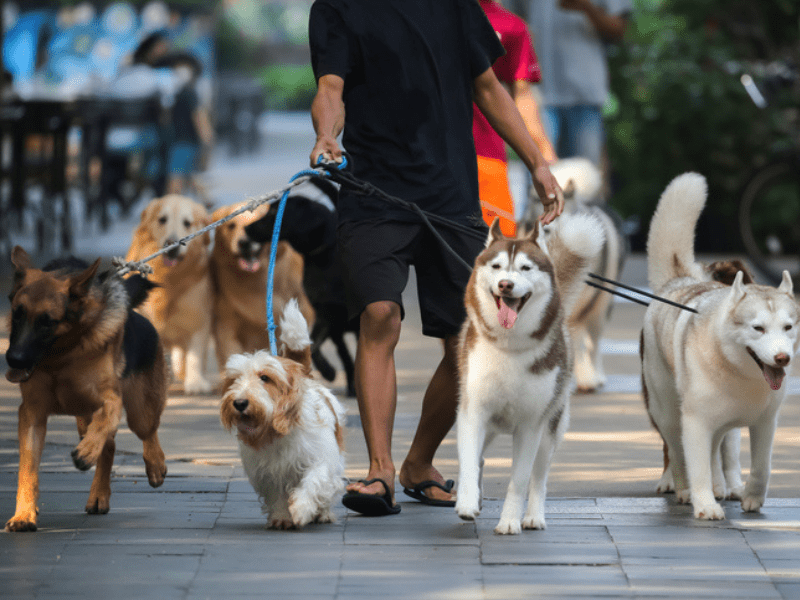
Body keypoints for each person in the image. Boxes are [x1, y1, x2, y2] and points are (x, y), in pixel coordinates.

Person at [308, 0, 563, 516]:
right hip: (373, 191)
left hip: (450, 196)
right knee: (380, 314)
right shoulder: (336, 7)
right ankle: (378, 470)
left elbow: (489, 87)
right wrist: (326, 136)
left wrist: (536, 160)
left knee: (464, 344)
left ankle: (418, 463)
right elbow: (329, 89)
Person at [475, 0, 557, 237]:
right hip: (428, 155)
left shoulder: (512, 27)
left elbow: (522, 96)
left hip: (487, 157)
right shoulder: (426, 14)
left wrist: (544, 156)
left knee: (496, 248)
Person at [527, 0, 631, 166]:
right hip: (538, 93)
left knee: (586, 181)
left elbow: (619, 28)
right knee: (540, 177)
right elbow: (511, 19)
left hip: (585, 94)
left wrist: (586, 7)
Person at [164, 52, 214, 196]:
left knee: (176, 178)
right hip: (180, 141)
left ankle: (174, 205)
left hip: (184, 142)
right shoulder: (174, 92)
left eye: (184, 67)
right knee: (190, 175)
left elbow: (199, 116)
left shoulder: (188, 92)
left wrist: (207, 137)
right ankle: (207, 200)